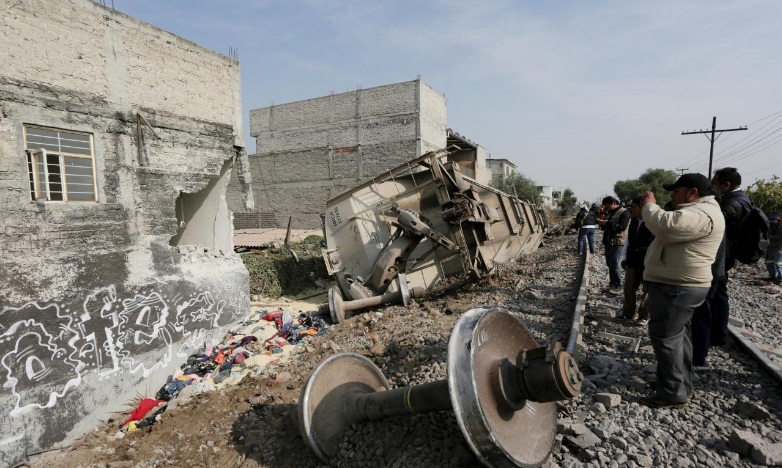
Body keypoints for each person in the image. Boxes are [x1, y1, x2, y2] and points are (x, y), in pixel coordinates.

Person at [638, 173, 725, 409]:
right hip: (681, 284)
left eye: (676, 191)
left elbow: (665, 226)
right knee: (679, 339)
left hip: (677, 286)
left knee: (666, 339)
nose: (673, 197)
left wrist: (649, 206)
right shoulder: (702, 211)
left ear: (692, 192)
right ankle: (680, 385)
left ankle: (672, 394)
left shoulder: (701, 213)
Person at [710, 167, 753, 346]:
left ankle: (718, 335)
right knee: (715, 293)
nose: (712, 187)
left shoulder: (734, 203)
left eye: (714, 183)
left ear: (726, 185)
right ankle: (715, 332)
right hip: (724, 252)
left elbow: (714, 223)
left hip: (723, 254)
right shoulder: (736, 199)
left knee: (717, 294)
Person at [619, 196, 654, 323]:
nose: (631, 210)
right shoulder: (633, 221)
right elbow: (628, 240)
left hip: (647, 262)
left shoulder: (653, 221)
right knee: (628, 288)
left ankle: (644, 316)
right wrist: (625, 258)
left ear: (642, 207)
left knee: (647, 290)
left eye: (634, 207)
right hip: (632, 260)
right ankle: (628, 313)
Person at [598, 196, 631, 292]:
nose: (606, 207)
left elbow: (621, 227)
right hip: (609, 242)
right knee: (610, 263)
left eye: (608, 205)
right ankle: (612, 283)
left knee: (615, 264)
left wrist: (607, 223)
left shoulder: (625, 212)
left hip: (618, 242)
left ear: (614, 203)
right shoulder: (611, 212)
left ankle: (619, 285)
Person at [767, 215, 782, 283]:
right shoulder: (773, 226)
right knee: (769, 264)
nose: (771, 223)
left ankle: (780, 279)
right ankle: (772, 277)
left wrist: (770, 237)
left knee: (779, 264)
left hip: (778, 249)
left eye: (772, 221)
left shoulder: (781, 227)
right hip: (771, 248)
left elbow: (780, 236)